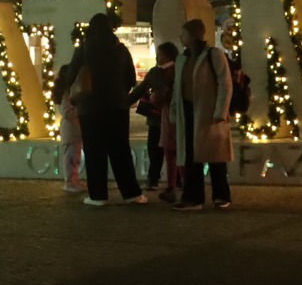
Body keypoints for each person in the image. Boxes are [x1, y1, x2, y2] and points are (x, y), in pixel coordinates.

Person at [69, 12, 145, 206]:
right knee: (121, 150)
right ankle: (131, 193)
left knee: (95, 152)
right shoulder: (121, 50)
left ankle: (98, 195)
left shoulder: (84, 49)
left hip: (90, 109)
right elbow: (130, 79)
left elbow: (71, 76)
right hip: (117, 107)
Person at [170, 17, 233, 210]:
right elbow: (177, 87)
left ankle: (221, 195)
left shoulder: (214, 55)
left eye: (183, 34)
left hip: (209, 112)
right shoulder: (182, 58)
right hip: (188, 111)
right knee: (191, 155)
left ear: (193, 35)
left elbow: (225, 83)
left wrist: (221, 111)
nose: (181, 37)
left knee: (215, 155)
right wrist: (175, 111)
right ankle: (193, 196)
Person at [132, 42, 178, 193]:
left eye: (160, 54)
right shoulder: (157, 71)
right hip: (158, 119)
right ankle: (158, 178)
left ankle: (163, 179)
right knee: (156, 149)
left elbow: (141, 90)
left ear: (169, 56)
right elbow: (141, 89)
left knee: (166, 150)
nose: (157, 57)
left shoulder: (172, 71)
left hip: (167, 118)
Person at [50, 60, 86, 194]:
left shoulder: (65, 92)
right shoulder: (67, 93)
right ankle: (70, 181)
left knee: (74, 156)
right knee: (71, 157)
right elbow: (67, 111)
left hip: (72, 129)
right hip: (71, 129)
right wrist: (80, 110)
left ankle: (73, 180)